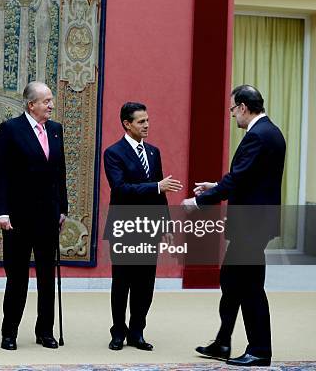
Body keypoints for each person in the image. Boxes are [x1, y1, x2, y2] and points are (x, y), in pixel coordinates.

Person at [182, 85, 286, 367]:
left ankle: (260, 350)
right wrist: (216, 186)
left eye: (231, 109)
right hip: (255, 222)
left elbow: (238, 180)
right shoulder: (271, 132)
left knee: (250, 287)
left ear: (242, 107)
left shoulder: (258, 136)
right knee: (231, 280)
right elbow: (251, 179)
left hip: (252, 224)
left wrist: (199, 200)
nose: (231, 116)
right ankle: (223, 341)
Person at [0, 81, 68, 350]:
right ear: (31, 104)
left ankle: (45, 331)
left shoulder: (56, 130)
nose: (51, 106)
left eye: (51, 101)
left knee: (47, 277)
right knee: (17, 278)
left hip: (48, 216)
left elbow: (60, 174)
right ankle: (9, 331)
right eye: (46, 101)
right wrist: (0, 211)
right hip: (17, 218)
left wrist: (63, 209)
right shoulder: (10, 129)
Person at [103, 102, 182, 351]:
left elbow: (161, 195)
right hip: (125, 225)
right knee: (123, 282)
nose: (147, 125)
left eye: (148, 120)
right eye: (141, 121)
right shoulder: (113, 153)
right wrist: (157, 186)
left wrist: (166, 225)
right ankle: (118, 332)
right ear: (127, 124)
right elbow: (121, 189)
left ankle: (137, 332)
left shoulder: (153, 152)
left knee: (145, 284)